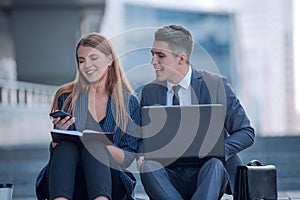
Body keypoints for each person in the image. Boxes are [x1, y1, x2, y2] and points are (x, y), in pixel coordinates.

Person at [137, 25, 255, 200]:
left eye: (160, 56)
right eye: (152, 54)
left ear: (181, 58)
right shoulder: (149, 91)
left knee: (215, 164)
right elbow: (142, 137)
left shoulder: (216, 85)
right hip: (168, 177)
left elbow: (246, 132)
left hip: (207, 175)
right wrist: (141, 153)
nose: (153, 61)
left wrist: (219, 150)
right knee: (148, 167)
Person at [36, 33, 140, 200]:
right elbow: (56, 152)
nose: (87, 65)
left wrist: (101, 145)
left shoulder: (128, 103)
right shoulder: (66, 97)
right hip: (71, 182)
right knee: (64, 148)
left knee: (95, 148)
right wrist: (59, 134)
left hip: (109, 182)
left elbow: (128, 158)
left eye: (93, 58)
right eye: (82, 60)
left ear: (109, 60)